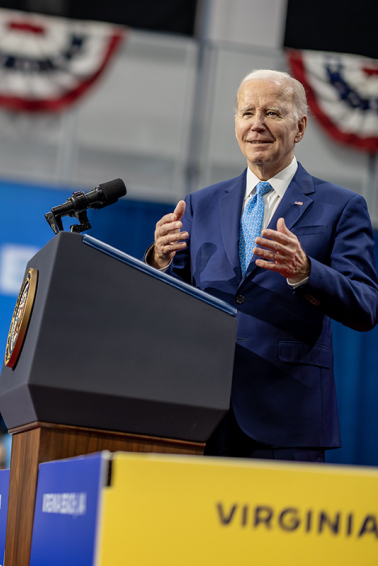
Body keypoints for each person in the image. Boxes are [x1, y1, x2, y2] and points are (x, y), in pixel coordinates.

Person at [148, 69, 378, 461]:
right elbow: (167, 302)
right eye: (246, 113)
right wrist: (160, 262)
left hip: (288, 417)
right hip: (200, 414)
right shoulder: (200, 204)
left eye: (272, 113)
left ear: (300, 126)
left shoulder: (340, 206)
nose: (256, 125)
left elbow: (365, 305)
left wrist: (307, 271)